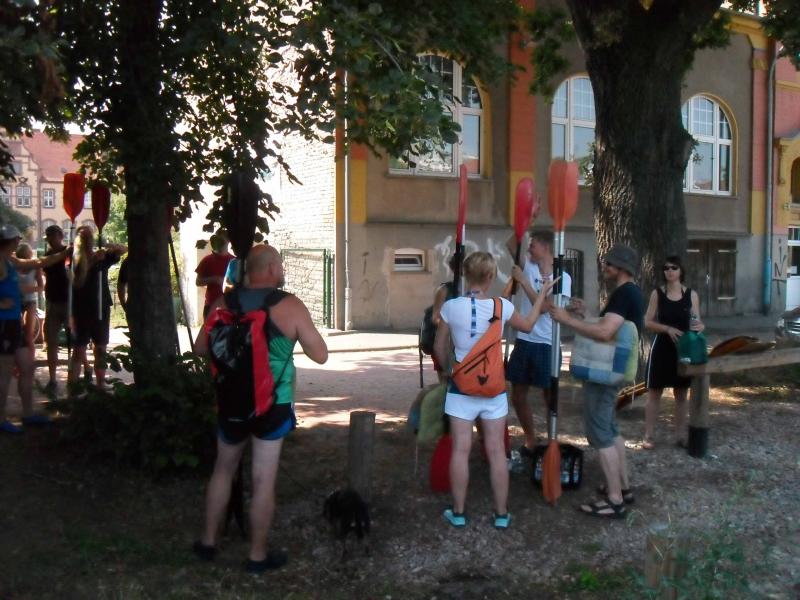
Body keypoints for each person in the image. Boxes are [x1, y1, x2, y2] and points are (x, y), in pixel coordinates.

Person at [194, 244, 328, 573]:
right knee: (263, 479)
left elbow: (200, 347)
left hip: (231, 400)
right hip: (272, 403)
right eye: (279, 265)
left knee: (223, 469)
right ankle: (257, 556)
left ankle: (208, 543)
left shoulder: (223, 303)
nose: (282, 271)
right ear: (269, 269)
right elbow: (321, 355)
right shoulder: (289, 305)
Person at [433, 251, 558, 529]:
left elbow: (439, 347)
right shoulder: (502, 307)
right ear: (490, 276)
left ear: (466, 275)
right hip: (493, 390)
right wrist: (541, 296)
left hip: (461, 389)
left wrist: (449, 370)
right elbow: (529, 325)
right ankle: (501, 514)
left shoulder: (451, 307)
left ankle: (459, 511)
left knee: (460, 450)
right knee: (496, 452)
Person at [550, 243, 644, 519]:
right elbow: (609, 327)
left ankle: (614, 500)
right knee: (611, 430)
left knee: (600, 434)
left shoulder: (623, 294)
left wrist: (567, 320)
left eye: (609, 263)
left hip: (605, 375)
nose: (604, 267)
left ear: (621, 268)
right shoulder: (630, 293)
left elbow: (604, 333)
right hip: (614, 371)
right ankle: (623, 488)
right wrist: (586, 315)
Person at [506, 230, 572, 456]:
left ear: (545, 247)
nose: (528, 248)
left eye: (532, 245)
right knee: (517, 395)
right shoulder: (529, 266)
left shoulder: (562, 277)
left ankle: (553, 440)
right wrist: (525, 222)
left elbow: (544, 308)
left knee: (550, 395)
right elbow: (511, 244)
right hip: (525, 340)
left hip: (547, 343)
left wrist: (523, 282)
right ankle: (531, 440)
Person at [0, 225, 70, 433]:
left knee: (27, 367)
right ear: (10, 241)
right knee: (4, 374)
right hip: (3, 324)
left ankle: (28, 414)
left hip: (15, 323)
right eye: (17, 239)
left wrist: (64, 253)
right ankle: (1, 419)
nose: (19, 242)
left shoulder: (10, 260)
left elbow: (39, 262)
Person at [643, 255, 704, 449]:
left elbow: (696, 320)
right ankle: (648, 435)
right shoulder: (657, 294)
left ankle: (680, 436)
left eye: (674, 268)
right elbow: (647, 321)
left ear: (681, 271)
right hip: (662, 347)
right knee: (654, 393)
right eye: (666, 268)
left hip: (683, 348)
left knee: (681, 393)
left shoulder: (691, 295)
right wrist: (667, 329)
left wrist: (699, 327)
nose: (669, 271)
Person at [68, 226, 127, 390]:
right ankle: (72, 385)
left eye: (90, 236)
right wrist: (94, 260)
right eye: (84, 237)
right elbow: (77, 281)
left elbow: (124, 249)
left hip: (101, 308)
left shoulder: (102, 256)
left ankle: (100, 383)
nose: (88, 240)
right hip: (82, 310)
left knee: (100, 348)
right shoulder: (75, 260)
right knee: (79, 349)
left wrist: (112, 246)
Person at [41, 224, 70, 393]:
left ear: (60, 236)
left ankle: (83, 371)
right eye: (48, 237)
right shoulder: (48, 256)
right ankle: (52, 379)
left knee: (75, 341)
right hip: (53, 303)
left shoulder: (71, 252)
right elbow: (45, 271)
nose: (50, 240)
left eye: (53, 236)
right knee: (51, 341)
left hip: (69, 303)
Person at [430, 254, 458, 382]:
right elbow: (435, 317)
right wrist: (449, 326)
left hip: (463, 344)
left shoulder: (472, 291)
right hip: (446, 341)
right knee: (445, 381)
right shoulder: (444, 290)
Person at [195, 230, 233, 318]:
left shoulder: (234, 261)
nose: (220, 243)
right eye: (218, 240)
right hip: (211, 305)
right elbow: (198, 282)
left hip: (229, 306)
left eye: (222, 240)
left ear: (228, 241)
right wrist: (214, 279)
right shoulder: (207, 260)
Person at [15, 243, 43, 359]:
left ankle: (31, 360)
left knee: (29, 334)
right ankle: (17, 358)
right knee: (16, 331)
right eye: (21, 257)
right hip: (15, 301)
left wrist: (27, 289)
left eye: (26, 257)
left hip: (30, 301)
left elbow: (41, 287)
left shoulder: (35, 267)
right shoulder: (14, 265)